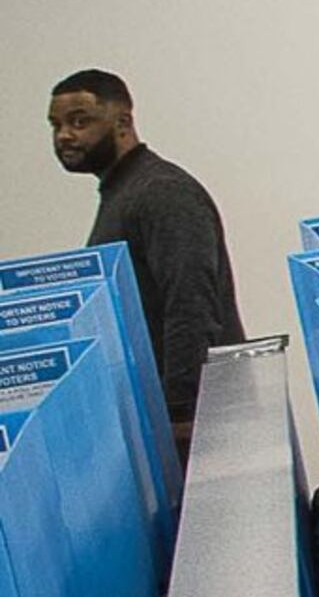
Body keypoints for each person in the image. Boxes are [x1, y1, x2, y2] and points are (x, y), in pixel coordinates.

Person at [45, 69, 244, 439]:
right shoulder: (124, 194)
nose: (64, 135)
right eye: (55, 125)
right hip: (162, 416)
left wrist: (181, 412)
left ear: (123, 122)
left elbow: (190, 302)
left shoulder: (161, 192)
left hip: (195, 422)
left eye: (79, 121)